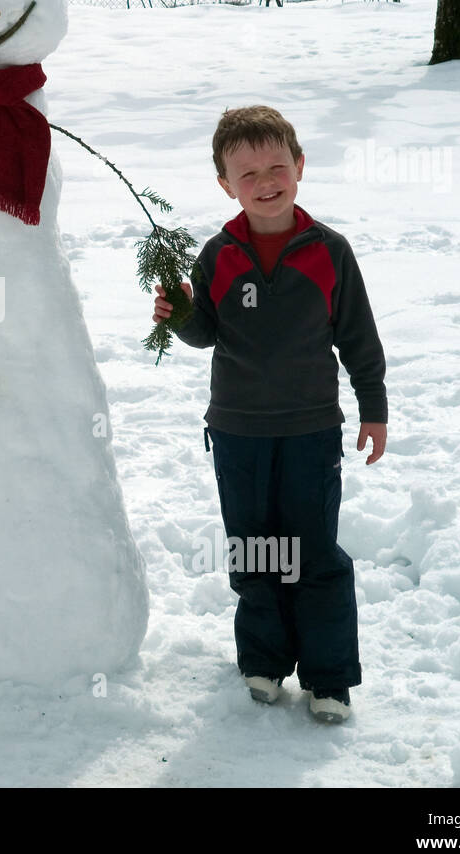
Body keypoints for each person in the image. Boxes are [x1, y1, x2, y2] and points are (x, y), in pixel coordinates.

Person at [153, 106, 387, 724]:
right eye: (247, 172)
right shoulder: (219, 254)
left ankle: (329, 677)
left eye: (276, 166)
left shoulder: (330, 252)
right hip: (237, 430)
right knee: (255, 550)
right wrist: (178, 313)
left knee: (314, 551)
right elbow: (207, 332)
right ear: (226, 184)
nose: (265, 181)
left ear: (300, 167)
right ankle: (263, 660)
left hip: (311, 428)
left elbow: (359, 337)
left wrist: (374, 407)